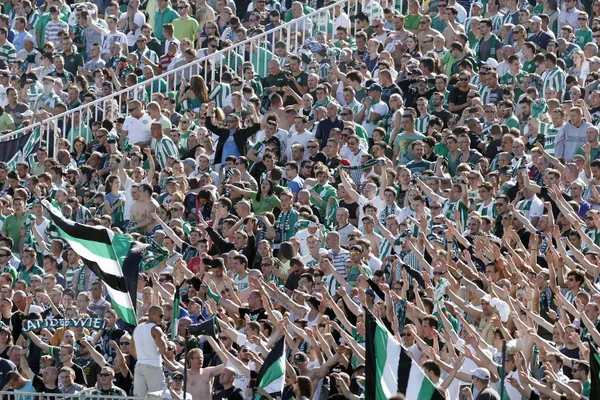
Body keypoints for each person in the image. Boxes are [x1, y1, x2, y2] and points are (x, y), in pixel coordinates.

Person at [132, 305, 168, 397]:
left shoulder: (137, 328)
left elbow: (131, 350)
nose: (162, 319)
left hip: (139, 366)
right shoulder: (156, 329)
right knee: (158, 396)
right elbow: (164, 350)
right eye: (161, 316)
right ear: (153, 315)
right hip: (154, 366)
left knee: (139, 398)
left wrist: (142, 358)